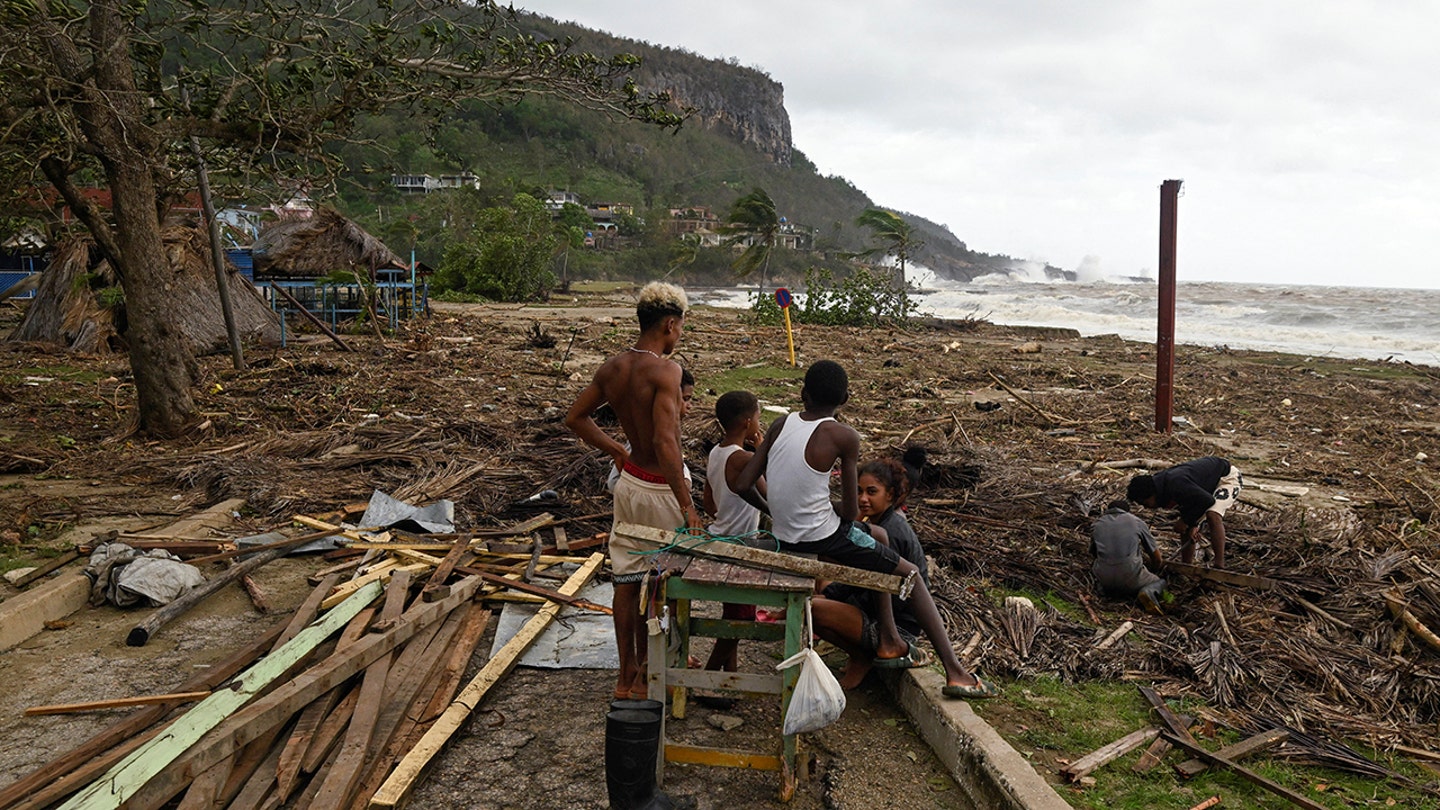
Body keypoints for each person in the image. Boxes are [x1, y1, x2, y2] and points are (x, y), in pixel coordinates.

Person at [736, 360, 998, 699]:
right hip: (824, 536)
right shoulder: (844, 436)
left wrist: (778, 509)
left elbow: (743, 484)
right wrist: (818, 507)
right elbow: (849, 513)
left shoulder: (780, 424)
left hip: (786, 535)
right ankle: (956, 673)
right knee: (910, 574)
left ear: (803, 394)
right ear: (845, 398)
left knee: (879, 539)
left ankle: (889, 638)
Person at [565, 282, 704, 700]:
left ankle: (625, 676)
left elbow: (576, 417)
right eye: (680, 328)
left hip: (629, 485)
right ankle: (648, 673)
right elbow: (665, 442)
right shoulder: (666, 371)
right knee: (661, 582)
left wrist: (617, 451)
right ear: (670, 324)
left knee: (626, 581)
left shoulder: (613, 367)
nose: (679, 335)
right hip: (661, 489)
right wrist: (687, 504)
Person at [812, 454, 932, 688]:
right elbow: (860, 576)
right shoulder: (874, 523)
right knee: (820, 593)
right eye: (858, 491)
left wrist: (833, 599)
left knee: (813, 609)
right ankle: (858, 655)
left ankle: (862, 657)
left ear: (890, 494)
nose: (863, 499)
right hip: (874, 609)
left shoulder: (891, 532)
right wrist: (830, 594)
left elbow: (883, 594)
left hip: (896, 627)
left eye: (871, 492)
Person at [694, 390, 768, 705]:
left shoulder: (717, 453)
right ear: (748, 422)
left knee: (733, 612)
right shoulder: (744, 459)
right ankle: (707, 680)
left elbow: (709, 503)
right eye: (759, 417)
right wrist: (762, 451)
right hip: (740, 545)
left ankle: (729, 680)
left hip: (718, 536)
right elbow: (771, 494)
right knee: (742, 619)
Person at [1127, 456, 1242, 569]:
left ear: (1151, 494)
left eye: (1144, 503)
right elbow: (1191, 504)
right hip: (1204, 489)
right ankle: (1186, 565)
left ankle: (1219, 565)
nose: (1145, 507)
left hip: (1226, 478)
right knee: (1186, 526)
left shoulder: (1175, 484)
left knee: (1213, 515)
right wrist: (1191, 523)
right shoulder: (1163, 486)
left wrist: (1185, 520)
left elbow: (1208, 501)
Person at [1090, 500, 1167, 615]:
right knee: (1160, 582)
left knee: (1103, 572)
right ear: (1127, 511)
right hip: (1130, 576)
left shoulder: (1096, 524)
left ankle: (1105, 590)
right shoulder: (1136, 522)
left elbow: (1094, 553)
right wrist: (1154, 571)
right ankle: (1148, 591)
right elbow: (1157, 558)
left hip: (1104, 578)